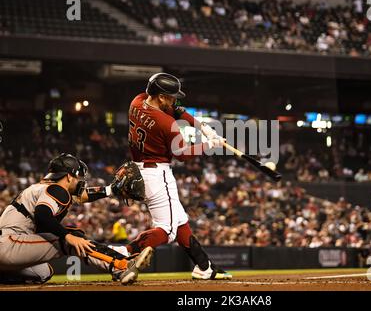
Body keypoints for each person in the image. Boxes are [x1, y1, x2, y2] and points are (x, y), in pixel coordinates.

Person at [125, 72, 232, 280]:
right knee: (168, 229)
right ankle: (122, 255)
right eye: (172, 97)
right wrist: (211, 144)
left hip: (140, 169)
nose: (175, 101)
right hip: (157, 174)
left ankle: (204, 266)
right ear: (162, 97)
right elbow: (182, 155)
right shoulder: (166, 123)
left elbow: (177, 111)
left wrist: (204, 128)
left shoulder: (137, 102)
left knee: (180, 221)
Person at [0, 153, 152, 285]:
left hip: (9, 245)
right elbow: (42, 214)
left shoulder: (43, 187)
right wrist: (67, 236)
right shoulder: (57, 189)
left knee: (43, 272)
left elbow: (81, 196)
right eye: (77, 177)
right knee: (72, 238)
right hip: (9, 245)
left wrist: (110, 190)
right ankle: (120, 265)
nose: (79, 180)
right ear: (68, 176)